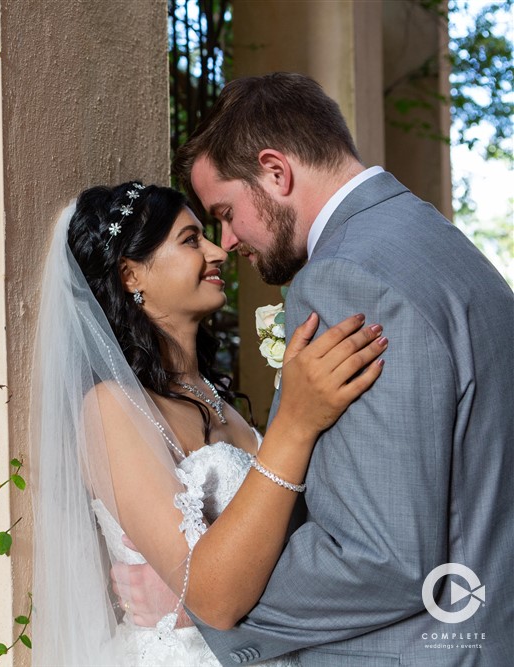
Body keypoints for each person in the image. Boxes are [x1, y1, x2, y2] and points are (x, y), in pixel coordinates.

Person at [161, 72, 513, 666]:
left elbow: (377, 555)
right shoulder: (446, 247)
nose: (230, 241)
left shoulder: (346, 277)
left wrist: (198, 604)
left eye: (225, 211)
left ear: (276, 171)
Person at [29, 181, 387, 665]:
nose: (219, 251)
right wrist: (296, 424)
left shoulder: (220, 401)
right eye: (191, 239)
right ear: (131, 275)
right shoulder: (113, 408)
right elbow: (212, 595)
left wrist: (180, 601)